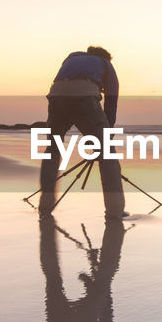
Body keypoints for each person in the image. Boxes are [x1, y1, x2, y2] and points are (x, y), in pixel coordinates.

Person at [39, 46, 126, 218]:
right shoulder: (106, 64)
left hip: (56, 95)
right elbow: (111, 102)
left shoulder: (71, 57)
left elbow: (65, 79)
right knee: (107, 153)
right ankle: (115, 210)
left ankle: (45, 206)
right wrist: (107, 133)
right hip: (84, 96)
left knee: (53, 149)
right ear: (106, 58)